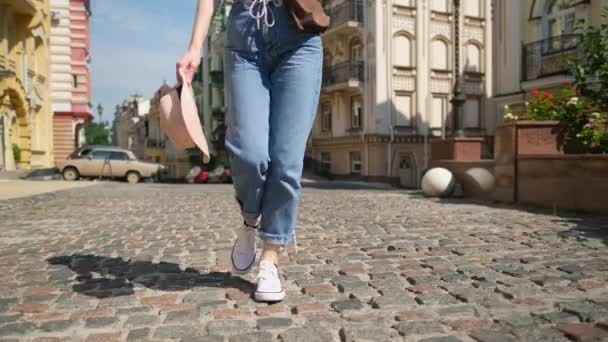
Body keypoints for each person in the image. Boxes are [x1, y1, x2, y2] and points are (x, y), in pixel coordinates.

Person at [178, 0, 322, 302]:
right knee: (250, 153)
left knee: (286, 161)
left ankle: (270, 257)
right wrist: (195, 47)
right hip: (245, 35)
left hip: (299, 33)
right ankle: (250, 218)